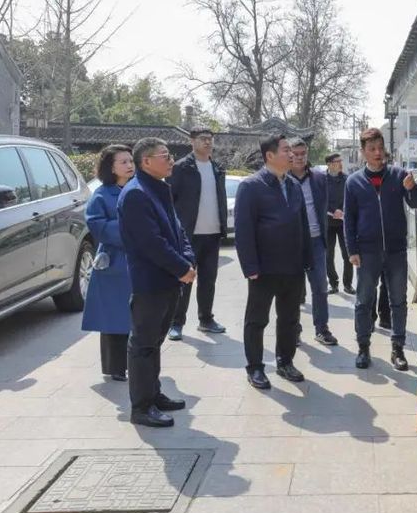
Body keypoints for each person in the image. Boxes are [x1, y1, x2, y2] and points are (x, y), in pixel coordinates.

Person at [118, 138, 194, 428]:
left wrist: (188, 260)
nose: (171, 160)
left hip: (169, 279)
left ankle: (154, 393)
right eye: (165, 156)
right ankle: (141, 407)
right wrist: (181, 268)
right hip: (150, 282)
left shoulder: (159, 188)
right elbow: (151, 242)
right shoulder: (136, 194)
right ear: (146, 161)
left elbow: (178, 230)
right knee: (143, 344)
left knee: (155, 342)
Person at [345, 128, 417, 371]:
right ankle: (363, 348)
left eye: (380, 148)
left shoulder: (399, 175)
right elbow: (349, 219)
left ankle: (398, 348)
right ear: (363, 152)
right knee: (363, 301)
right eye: (372, 149)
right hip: (367, 252)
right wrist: (352, 249)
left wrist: (412, 188)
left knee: (398, 301)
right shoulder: (354, 182)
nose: (378, 153)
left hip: (395, 251)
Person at [235, 134, 312, 390]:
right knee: (257, 320)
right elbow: (244, 230)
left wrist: (307, 258)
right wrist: (250, 266)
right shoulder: (251, 186)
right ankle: (255, 367)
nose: (292, 155)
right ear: (269, 155)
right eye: (286, 150)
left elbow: (302, 224)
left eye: (292, 150)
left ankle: (285, 361)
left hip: (293, 267)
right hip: (264, 268)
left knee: (289, 318)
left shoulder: (293, 185)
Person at [165, 127, 228, 340]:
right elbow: (169, 200)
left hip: (213, 233)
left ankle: (206, 319)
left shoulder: (217, 168)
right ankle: (176, 323)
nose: (208, 142)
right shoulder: (181, 168)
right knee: (184, 279)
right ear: (192, 141)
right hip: (188, 235)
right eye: (203, 139)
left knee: (208, 280)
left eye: (210, 139)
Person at [81, 144, 134, 382]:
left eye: (131, 160)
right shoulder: (102, 195)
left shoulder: (138, 189)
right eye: (123, 162)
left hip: (139, 260)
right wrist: (132, 231)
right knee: (114, 317)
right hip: (115, 260)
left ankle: (136, 363)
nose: (129, 165)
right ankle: (115, 367)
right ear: (111, 167)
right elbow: (97, 225)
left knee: (138, 315)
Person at [289, 138, 338, 346]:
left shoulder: (318, 178)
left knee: (320, 287)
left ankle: (322, 329)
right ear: (289, 154)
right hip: (291, 243)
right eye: (296, 154)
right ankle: (293, 330)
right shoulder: (282, 178)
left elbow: (324, 204)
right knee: (292, 290)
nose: (300, 157)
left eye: (303, 153)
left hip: (316, 241)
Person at [324, 153, 355, 295]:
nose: (340, 163)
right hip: (328, 222)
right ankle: (333, 283)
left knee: (347, 254)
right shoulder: (321, 180)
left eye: (341, 160)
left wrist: (342, 210)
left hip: (344, 222)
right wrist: (332, 211)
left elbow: (351, 198)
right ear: (329, 164)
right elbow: (319, 199)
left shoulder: (347, 179)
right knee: (328, 255)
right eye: (337, 161)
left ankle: (348, 284)